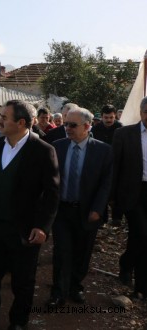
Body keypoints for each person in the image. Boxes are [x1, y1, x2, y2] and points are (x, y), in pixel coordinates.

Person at [0, 100, 59, 330]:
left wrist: (42, 227)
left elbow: (51, 194)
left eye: (5, 117)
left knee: (22, 282)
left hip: (24, 230)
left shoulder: (43, 151)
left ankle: (18, 323)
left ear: (21, 123)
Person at [47, 108, 112, 307]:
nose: (67, 128)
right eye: (66, 124)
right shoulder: (57, 147)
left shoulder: (103, 150)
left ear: (87, 126)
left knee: (83, 253)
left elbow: (106, 183)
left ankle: (75, 287)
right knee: (62, 251)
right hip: (62, 211)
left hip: (88, 211)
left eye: (72, 125)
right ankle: (58, 292)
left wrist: (97, 209)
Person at [111, 96, 147, 299]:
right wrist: (112, 199)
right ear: (142, 112)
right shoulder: (124, 134)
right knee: (143, 235)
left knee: (138, 237)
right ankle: (141, 287)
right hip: (133, 193)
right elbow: (115, 166)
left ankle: (126, 264)